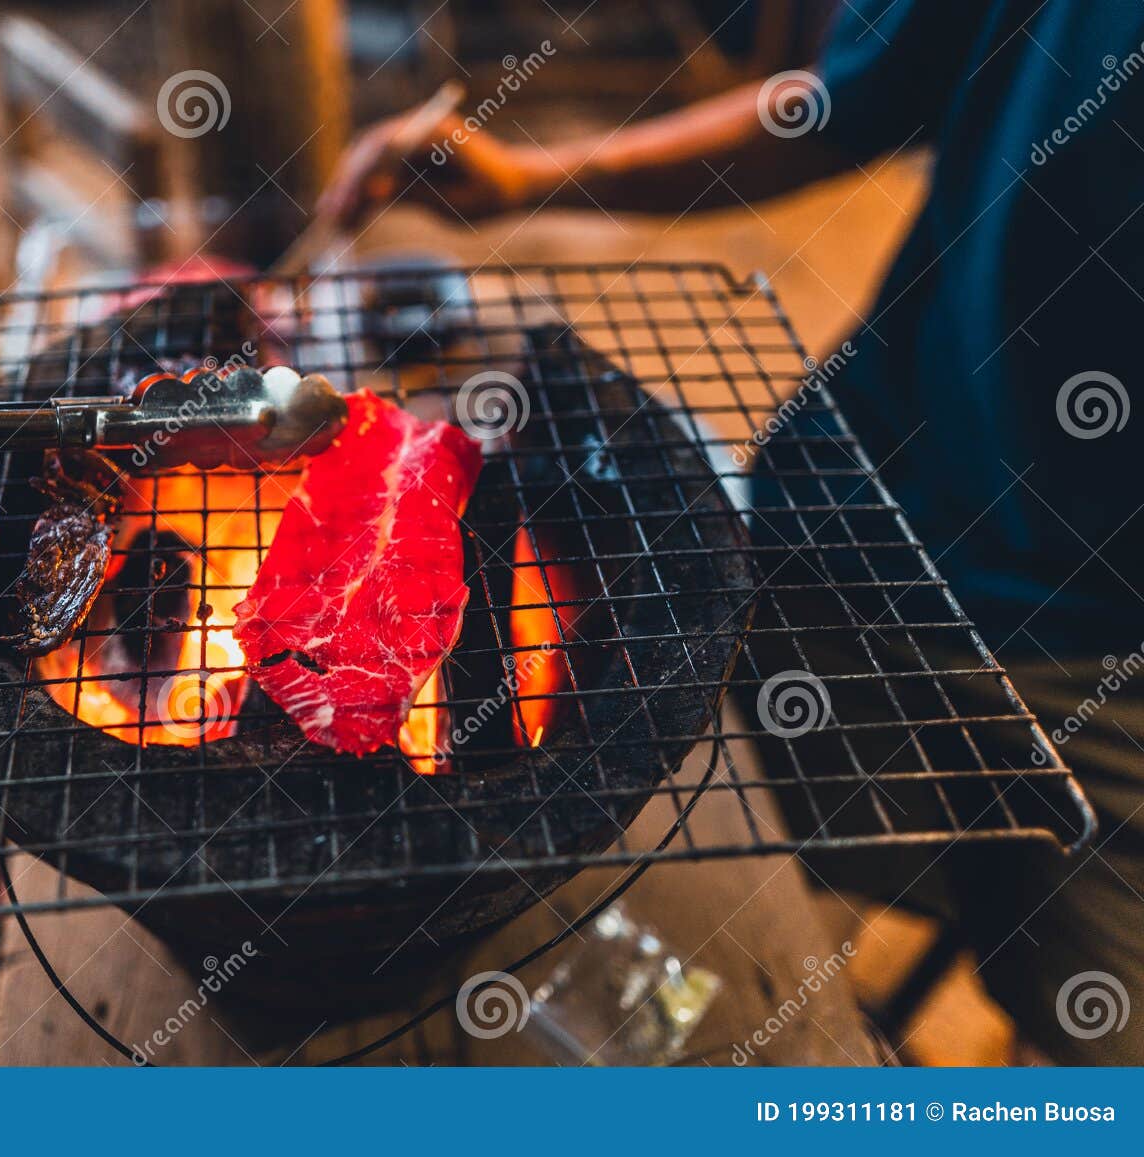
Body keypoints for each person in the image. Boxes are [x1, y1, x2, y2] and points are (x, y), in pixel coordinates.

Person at [319, 0, 1144, 1064]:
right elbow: (843, 105)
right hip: (860, 504)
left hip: (1108, 670)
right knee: (655, 825)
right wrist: (529, 178)